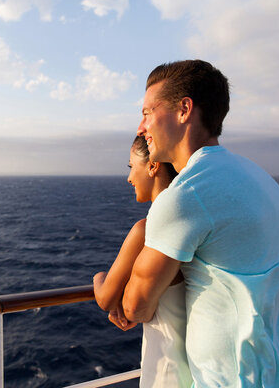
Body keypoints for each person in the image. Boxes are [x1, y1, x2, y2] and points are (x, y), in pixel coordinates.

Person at [120, 60, 279, 387]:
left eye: (148, 112)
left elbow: (134, 307)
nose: (141, 127)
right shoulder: (261, 179)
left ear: (184, 110)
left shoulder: (186, 194)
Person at [93, 135, 192, 388]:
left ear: (152, 166)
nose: (129, 177)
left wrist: (98, 277)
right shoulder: (193, 220)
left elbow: (105, 298)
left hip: (166, 370)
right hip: (196, 367)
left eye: (130, 166)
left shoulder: (145, 230)